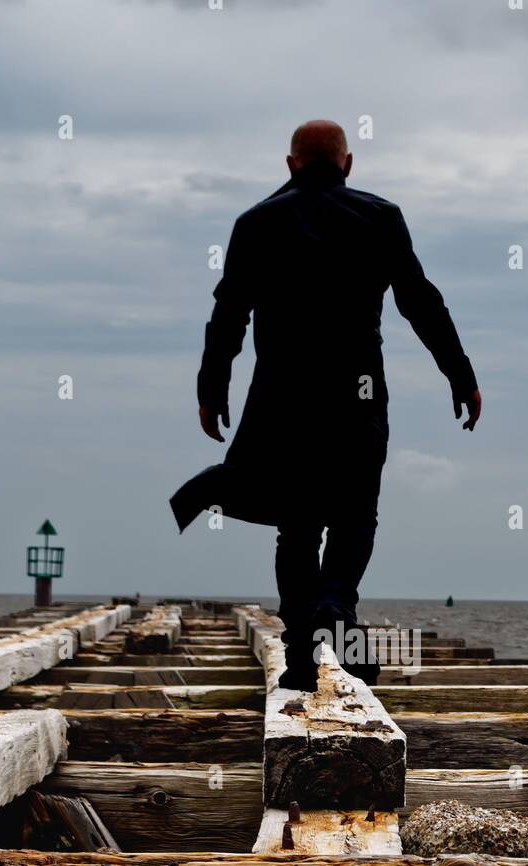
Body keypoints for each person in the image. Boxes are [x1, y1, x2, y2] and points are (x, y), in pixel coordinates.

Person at [170, 119, 481, 690]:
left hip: (281, 396)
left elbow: (229, 314)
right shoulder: (380, 216)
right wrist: (459, 375)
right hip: (356, 391)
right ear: (348, 163)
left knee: (297, 525)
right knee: (356, 510)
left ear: (289, 165)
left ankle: (297, 658)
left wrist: (211, 390)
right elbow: (420, 301)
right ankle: (336, 612)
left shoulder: (255, 222)